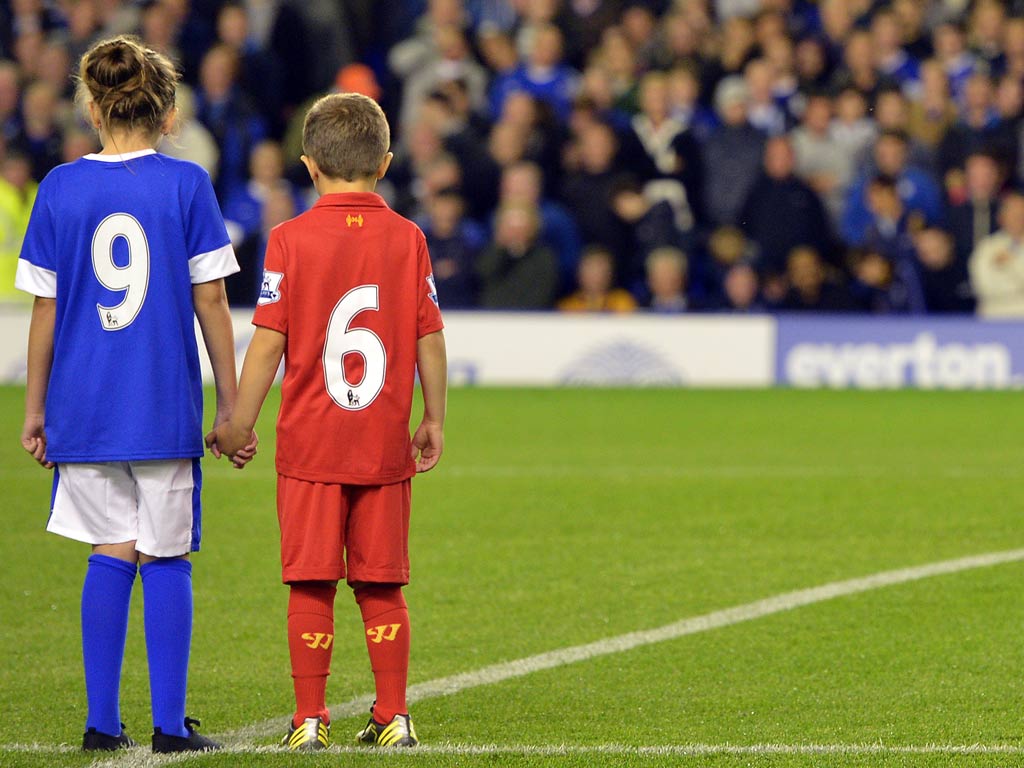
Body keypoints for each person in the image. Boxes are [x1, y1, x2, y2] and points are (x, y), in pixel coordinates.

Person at [15, 35, 253, 754]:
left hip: (83, 406)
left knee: (109, 547)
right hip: (159, 406)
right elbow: (212, 301)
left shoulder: (59, 187)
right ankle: (170, 727)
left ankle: (102, 723)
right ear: (169, 114)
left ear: (92, 108)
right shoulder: (186, 185)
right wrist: (232, 409)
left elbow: (46, 309)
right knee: (166, 555)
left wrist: (35, 410)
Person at [210, 93, 447, 751]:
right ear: (385, 163)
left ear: (309, 165)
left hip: (311, 445)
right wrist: (434, 417)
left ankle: (309, 719)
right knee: (382, 581)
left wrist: (238, 424)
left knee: (311, 579)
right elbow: (429, 336)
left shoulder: (289, 239)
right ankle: (393, 715)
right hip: (382, 444)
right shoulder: (409, 238)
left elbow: (268, 342)